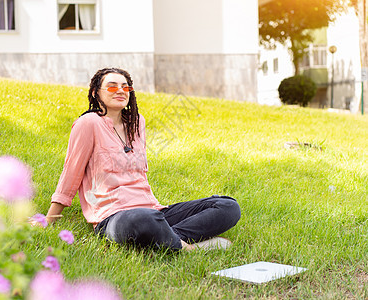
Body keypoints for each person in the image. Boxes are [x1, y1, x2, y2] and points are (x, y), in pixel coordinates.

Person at [44, 67, 241, 251]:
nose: (120, 91)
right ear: (96, 93)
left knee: (228, 206)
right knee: (142, 219)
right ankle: (188, 247)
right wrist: (49, 219)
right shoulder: (88, 123)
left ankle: (167, 238)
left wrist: (157, 216)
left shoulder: (137, 123)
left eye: (126, 87)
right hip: (115, 217)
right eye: (112, 86)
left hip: (154, 210)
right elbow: (71, 173)